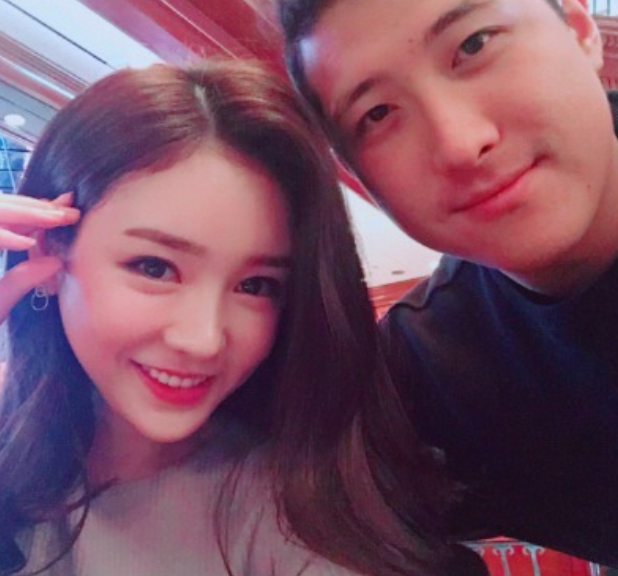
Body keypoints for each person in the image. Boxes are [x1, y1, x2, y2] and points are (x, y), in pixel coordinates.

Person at [0, 60, 481, 576]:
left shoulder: (291, 518)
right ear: (46, 251)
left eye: (256, 286)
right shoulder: (17, 449)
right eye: (155, 268)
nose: (204, 339)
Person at [278, 0, 618, 568]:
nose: (459, 143)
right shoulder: (428, 374)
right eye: (378, 113)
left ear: (582, 31)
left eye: (474, 44)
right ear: (357, 178)